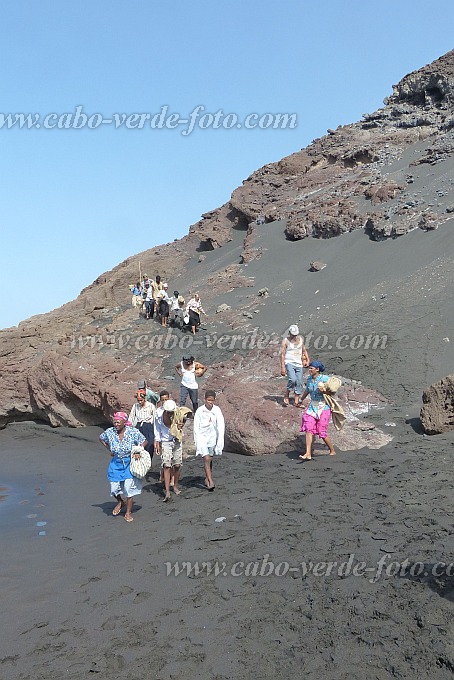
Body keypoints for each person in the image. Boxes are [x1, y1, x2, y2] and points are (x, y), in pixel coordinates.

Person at [99, 411, 147, 522]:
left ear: (124, 422)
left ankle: (128, 512)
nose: (116, 424)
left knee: (128, 488)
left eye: (118, 422)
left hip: (129, 463)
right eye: (114, 422)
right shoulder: (109, 432)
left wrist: (138, 450)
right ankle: (120, 501)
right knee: (114, 488)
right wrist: (110, 449)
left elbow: (144, 441)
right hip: (116, 463)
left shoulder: (133, 432)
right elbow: (101, 438)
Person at [154, 399, 191, 501]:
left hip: (176, 440)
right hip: (165, 441)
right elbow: (156, 428)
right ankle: (167, 491)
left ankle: (175, 486)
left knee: (177, 465)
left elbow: (187, 415)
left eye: (172, 412)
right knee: (166, 465)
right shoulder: (158, 414)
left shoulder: (178, 412)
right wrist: (157, 440)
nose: (170, 413)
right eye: (169, 412)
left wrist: (182, 423)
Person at [299, 361, 336, 460]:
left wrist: (324, 390)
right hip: (313, 405)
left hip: (324, 406)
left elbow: (333, 391)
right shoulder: (310, 379)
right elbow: (307, 390)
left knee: (321, 431)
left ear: (317, 369)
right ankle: (308, 453)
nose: (310, 370)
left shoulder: (325, 379)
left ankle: (332, 450)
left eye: (312, 368)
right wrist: (301, 399)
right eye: (309, 368)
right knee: (308, 427)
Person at [194, 389, 225, 491]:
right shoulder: (200, 410)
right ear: (205, 399)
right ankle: (211, 481)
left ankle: (207, 478)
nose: (210, 402)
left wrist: (220, 439)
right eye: (208, 400)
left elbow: (221, 424)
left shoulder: (217, 410)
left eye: (212, 400)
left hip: (212, 437)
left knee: (210, 458)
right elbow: (196, 426)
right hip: (202, 437)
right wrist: (197, 440)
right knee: (206, 458)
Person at [280, 324, 310, 407]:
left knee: (299, 381)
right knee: (292, 379)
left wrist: (307, 359)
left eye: (295, 334)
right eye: (293, 334)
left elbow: (304, 350)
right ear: (290, 333)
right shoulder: (285, 341)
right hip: (289, 362)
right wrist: (282, 367)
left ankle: (296, 400)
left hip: (298, 363)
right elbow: (282, 354)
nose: (294, 336)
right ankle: (287, 394)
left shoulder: (300, 339)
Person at [128, 389, 156, 462]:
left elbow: (155, 418)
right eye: (138, 400)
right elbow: (131, 417)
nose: (139, 402)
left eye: (141, 400)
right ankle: (139, 462)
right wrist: (129, 427)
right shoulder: (135, 406)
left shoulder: (150, 406)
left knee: (150, 444)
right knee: (139, 445)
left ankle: (148, 461)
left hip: (149, 426)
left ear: (144, 398)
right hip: (139, 426)